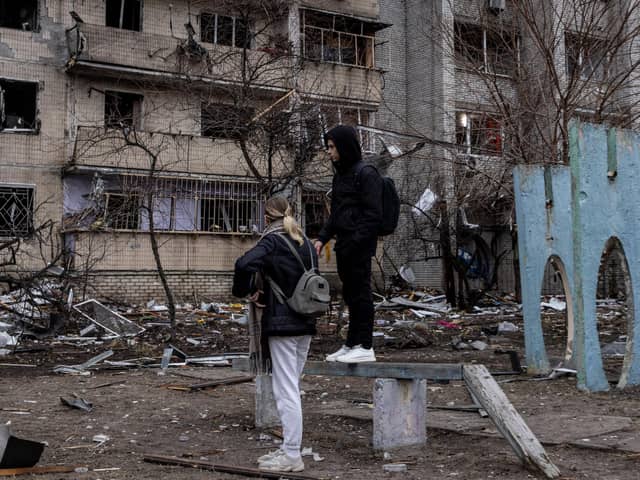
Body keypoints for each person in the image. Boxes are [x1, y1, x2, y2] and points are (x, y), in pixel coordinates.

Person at [233, 196, 317, 473]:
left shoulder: (272, 240)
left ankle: (292, 455)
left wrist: (244, 291)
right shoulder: (304, 241)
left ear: (267, 218)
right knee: (292, 387)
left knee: (286, 392)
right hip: (306, 322)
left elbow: (243, 264)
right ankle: (288, 449)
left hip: (282, 325)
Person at [314, 125, 383, 363]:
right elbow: (337, 214)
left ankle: (365, 345)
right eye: (328, 147)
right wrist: (322, 238)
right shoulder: (342, 175)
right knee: (351, 295)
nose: (329, 152)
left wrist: (355, 241)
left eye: (332, 147)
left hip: (359, 246)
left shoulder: (366, 173)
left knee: (361, 294)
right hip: (344, 245)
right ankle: (352, 343)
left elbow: (373, 215)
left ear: (344, 146)